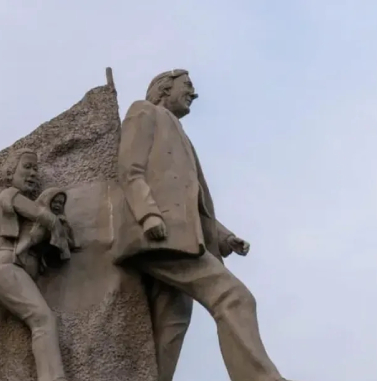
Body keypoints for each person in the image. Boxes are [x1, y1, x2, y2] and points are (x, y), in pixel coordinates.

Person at [116, 69, 291, 381]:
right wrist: (148, 214)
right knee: (233, 296)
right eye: (187, 86)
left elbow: (192, 203)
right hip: (160, 235)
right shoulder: (144, 112)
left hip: (183, 238)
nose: (193, 94)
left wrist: (223, 237)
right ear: (163, 89)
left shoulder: (181, 136)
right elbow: (130, 169)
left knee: (170, 327)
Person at [0, 149, 74, 381]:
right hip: (7, 265)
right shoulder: (9, 194)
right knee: (43, 320)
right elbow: (43, 216)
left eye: (36, 169)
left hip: (19, 267)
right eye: (27, 167)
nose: (33, 173)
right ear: (10, 172)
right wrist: (54, 224)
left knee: (42, 320)